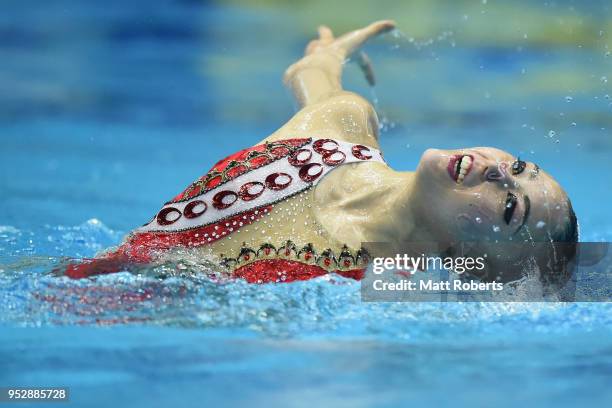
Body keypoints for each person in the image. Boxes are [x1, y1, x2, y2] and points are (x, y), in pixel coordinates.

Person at [64, 21, 578, 287]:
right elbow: (309, 75)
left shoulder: (367, 288)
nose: (496, 171)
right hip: (55, 282)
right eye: (518, 166)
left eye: (512, 206)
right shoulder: (339, 128)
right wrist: (330, 51)